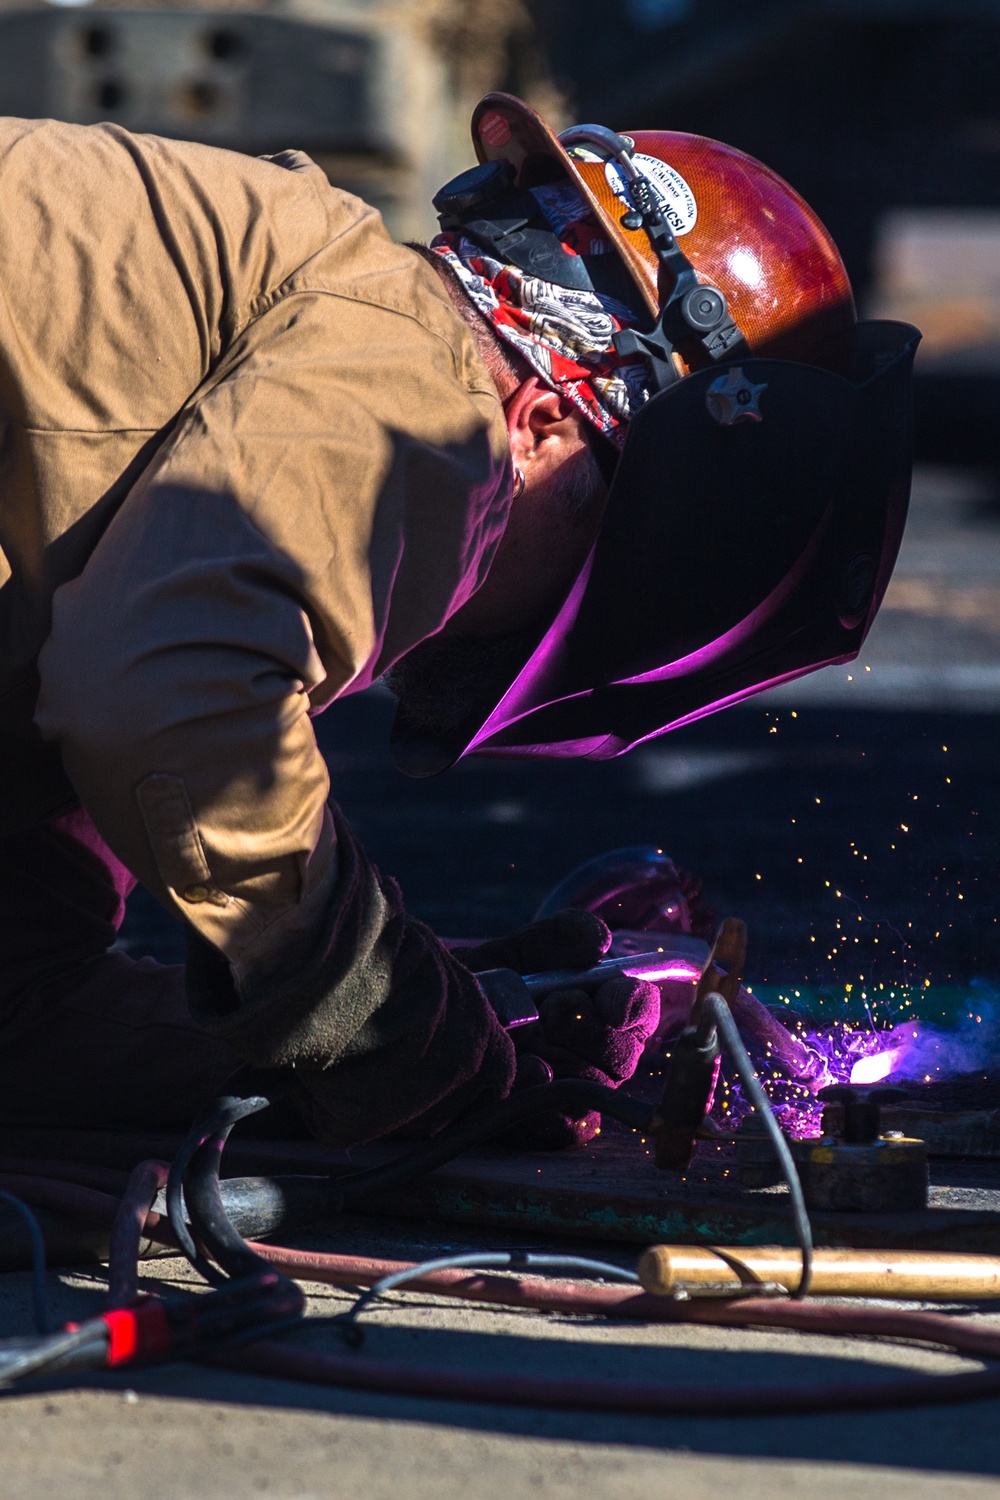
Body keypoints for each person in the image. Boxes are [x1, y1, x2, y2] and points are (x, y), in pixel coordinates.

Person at [0, 93, 916, 1145]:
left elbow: (19, 1005)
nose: (519, 630)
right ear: (541, 424)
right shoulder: (421, 386)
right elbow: (170, 703)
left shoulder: (136, 455)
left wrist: (444, 1010)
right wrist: (374, 1015)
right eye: (591, 565)